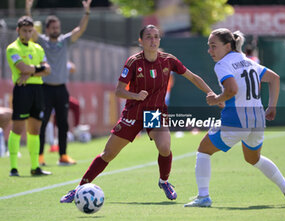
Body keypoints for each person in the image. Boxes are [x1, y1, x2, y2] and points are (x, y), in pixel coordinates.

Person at [60, 24, 214, 203]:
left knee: (164, 148)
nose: (153, 40)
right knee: (108, 154)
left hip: (154, 113)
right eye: (148, 36)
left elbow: (193, 77)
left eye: (156, 36)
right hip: (133, 113)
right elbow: (118, 91)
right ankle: (78, 189)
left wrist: (212, 94)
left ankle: (164, 181)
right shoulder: (133, 62)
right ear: (141, 41)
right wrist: (135, 95)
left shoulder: (168, 60)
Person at [184, 28, 285, 207]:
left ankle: (203, 197)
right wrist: (272, 106)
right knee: (253, 158)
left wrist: (217, 99)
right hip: (258, 119)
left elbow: (232, 90)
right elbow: (275, 78)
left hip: (237, 120)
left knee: (203, 150)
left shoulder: (222, 64)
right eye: (209, 46)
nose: (210, 51)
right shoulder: (247, 61)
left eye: (214, 46)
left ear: (228, 46)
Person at [26, 0, 92, 166]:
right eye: (53, 28)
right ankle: (40, 156)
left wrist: (86, 12)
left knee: (63, 123)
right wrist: (28, 9)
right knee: (43, 123)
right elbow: (31, 30)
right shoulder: (41, 41)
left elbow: (80, 29)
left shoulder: (65, 41)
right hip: (45, 89)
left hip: (61, 89)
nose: (56, 30)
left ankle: (63, 156)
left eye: (57, 27)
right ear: (47, 29)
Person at [6, 16, 52, 176]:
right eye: (24, 30)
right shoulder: (12, 48)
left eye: (30, 30)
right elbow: (21, 67)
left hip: (37, 90)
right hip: (22, 89)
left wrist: (30, 71)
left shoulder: (38, 48)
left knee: (35, 129)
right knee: (18, 128)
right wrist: (36, 69)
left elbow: (48, 69)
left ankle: (35, 167)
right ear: (18, 31)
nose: (27, 33)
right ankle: (13, 167)